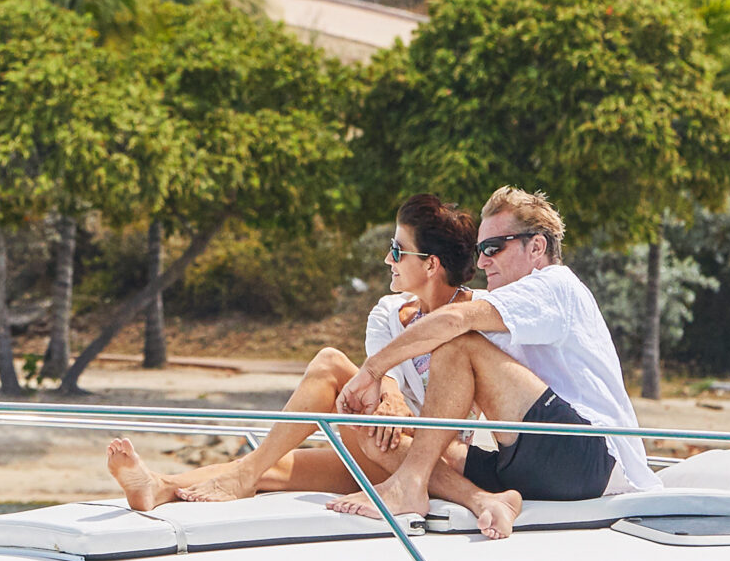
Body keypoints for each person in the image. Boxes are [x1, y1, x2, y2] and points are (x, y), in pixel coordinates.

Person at [104, 197, 482, 512]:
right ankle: (159, 485)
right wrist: (388, 392)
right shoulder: (386, 312)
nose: (387, 259)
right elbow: (382, 379)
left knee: (331, 364)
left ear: (431, 264)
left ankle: (239, 477)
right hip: (379, 445)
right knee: (270, 466)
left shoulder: (481, 316)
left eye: (398, 251)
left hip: (434, 461)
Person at [328, 187, 654, 536]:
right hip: (537, 464)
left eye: (493, 248)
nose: (482, 262)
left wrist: (373, 370)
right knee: (376, 436)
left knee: (457, 342)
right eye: (479, 250)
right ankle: (485, 499)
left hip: (592, 459)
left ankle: (410, 485)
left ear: (537, 247)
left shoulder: (556, 285)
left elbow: (453, 322)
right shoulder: (509, 311)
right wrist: (389, 412)